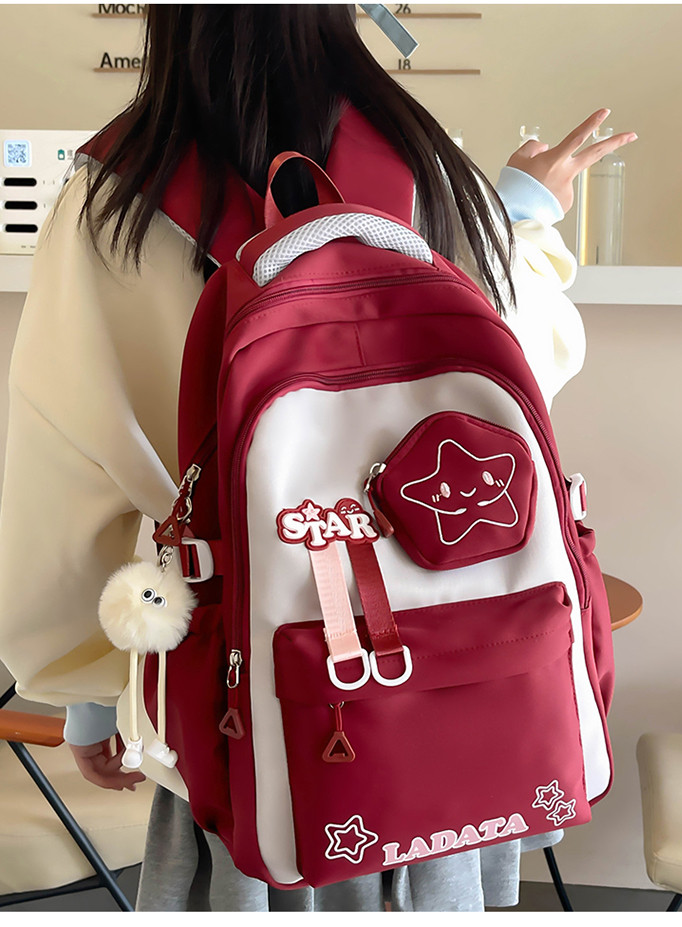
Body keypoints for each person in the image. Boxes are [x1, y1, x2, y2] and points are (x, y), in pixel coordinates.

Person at [0, 4, 636, 913]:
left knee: (264, 844)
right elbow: (523, 368)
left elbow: (67, 477)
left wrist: (93, 688)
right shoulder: (425, 163)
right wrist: (523, 214)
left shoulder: (112, 196)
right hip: (456, 680)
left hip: (249, 705)